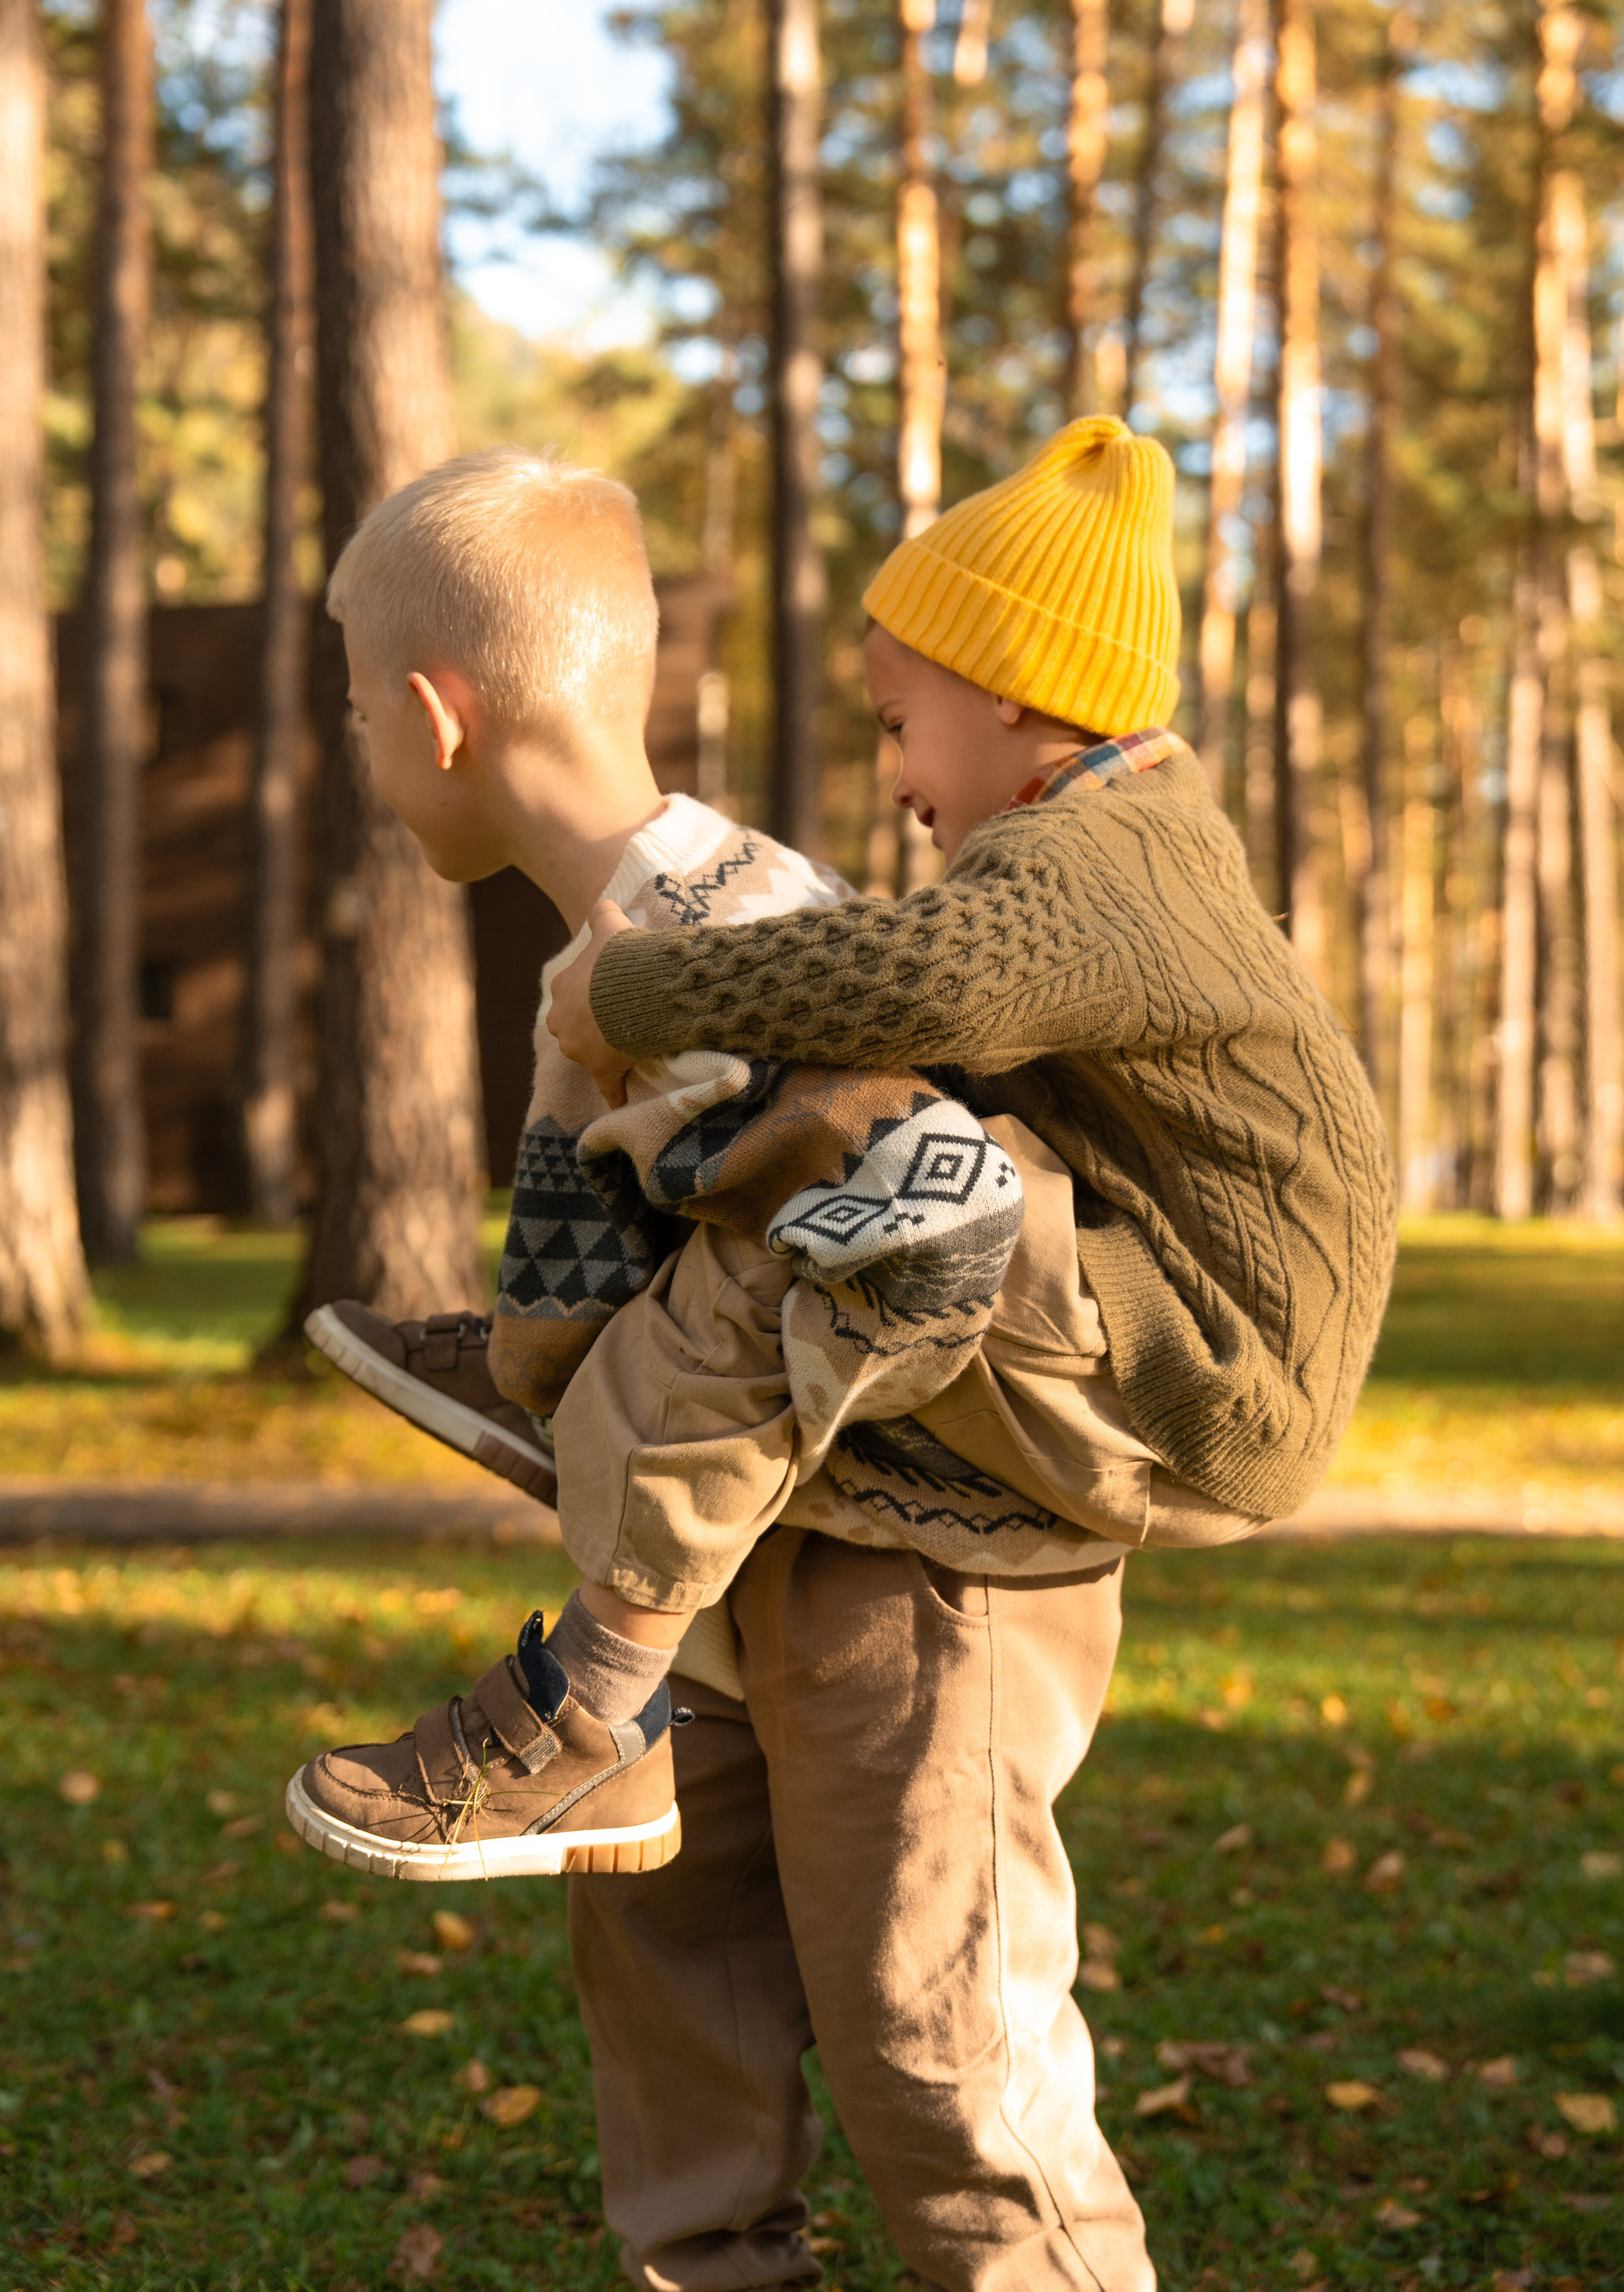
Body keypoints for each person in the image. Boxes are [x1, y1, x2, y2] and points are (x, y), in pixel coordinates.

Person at [287, 423, 1394, 2290]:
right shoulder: (644, 936)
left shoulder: (768, 928)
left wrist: (615, 1623)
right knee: (679, 2012)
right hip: (780, 1540)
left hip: (971, 1532)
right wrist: (563, 1371)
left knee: (946, 2070)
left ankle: (588, 1693)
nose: (890, 782)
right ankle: (604, 1656)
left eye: (347, 701)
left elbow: (919, 1179)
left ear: (433, 709)